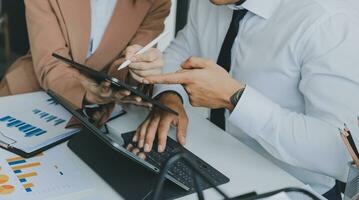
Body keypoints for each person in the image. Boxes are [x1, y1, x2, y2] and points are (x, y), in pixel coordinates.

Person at [132, 0, 359, 199]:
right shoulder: (210, 2)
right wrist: (170, 97)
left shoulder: (328, 20)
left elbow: (339, 153)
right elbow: (179, 52)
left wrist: (236, 98)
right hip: (210, 168)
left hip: (290, 190)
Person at [0, 0, 170, 123]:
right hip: (32, 92)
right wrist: (86, 93)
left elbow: (126, 68)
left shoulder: (157, 2)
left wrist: (140, 69)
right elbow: (50, 61)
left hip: (102, 112)